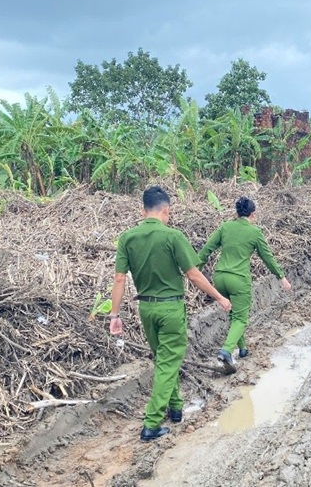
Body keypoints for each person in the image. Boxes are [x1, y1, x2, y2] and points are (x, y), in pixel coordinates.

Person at [109, 186, 232, 442]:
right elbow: (194, 274)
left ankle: (176, 408)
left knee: (164, 360)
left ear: (143, 210)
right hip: (171, 309)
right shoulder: (172, 236)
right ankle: (151, 424)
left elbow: (119, 279)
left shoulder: (127, 238)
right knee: (167, 363)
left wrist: (115, 315)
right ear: (166, 210)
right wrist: (219, 297)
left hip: (146, 309)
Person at [198, 196, 292, 374]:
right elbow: (268, 257)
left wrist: (195, 270)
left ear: (237, 212)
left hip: (219, 278)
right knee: (240, 319)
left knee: (234, 315)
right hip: (239, 280)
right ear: (253, 214)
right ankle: (226, 351)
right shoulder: (255, 232)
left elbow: (206, 249)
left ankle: (243, 349)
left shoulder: (225, 227)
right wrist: (281, 277)